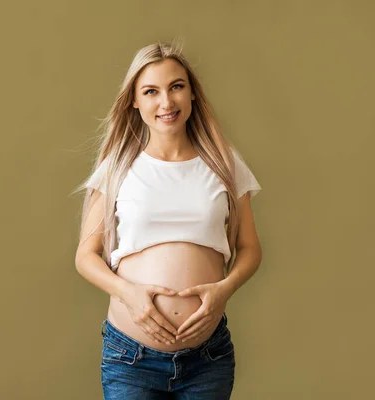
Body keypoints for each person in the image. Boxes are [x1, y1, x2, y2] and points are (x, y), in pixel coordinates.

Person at [74, 39, 263, 399]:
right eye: (151, 91)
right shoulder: (117, 167)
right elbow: (85, 256)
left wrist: (223, 291)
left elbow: (250, 248)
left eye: (176, 86)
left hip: (207, 359)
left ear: (192, 93)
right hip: (131, 359)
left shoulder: (224, 163)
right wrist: (128, 293)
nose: (166, 102)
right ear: (134, 100)